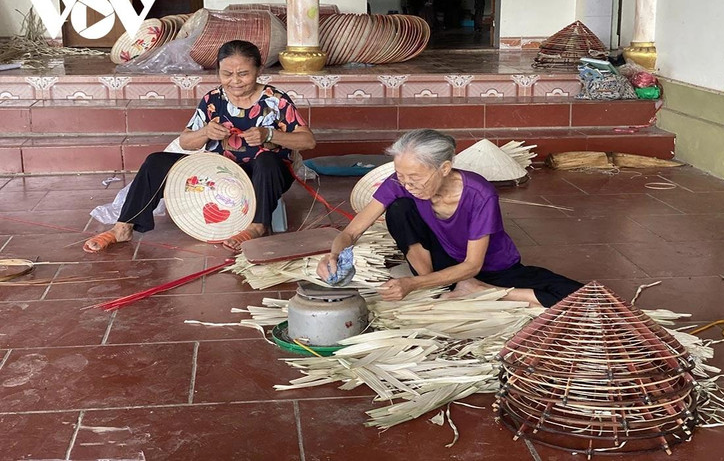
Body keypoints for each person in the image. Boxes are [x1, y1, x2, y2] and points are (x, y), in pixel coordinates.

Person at [83, 40, 316, 253]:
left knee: (267, 160)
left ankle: (257, 226)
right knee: (156, 161)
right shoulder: (212, 100)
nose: (235, 81)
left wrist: (270, 134)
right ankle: (124, 226)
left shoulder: (275, 100)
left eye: (243, 74)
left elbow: (308, 141)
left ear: (259, 70)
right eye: (227, 74)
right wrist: (205, 133)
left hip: (264, 176)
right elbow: (185, 141)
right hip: (216, 175)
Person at [317, 129, 582, 306]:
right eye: (401, 176)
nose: (407, 184)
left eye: (416, 177)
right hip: (440, 264)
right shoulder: (400, 183)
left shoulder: (480, 194)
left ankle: (480, 291)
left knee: (577, 295)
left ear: (444, 168)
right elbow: (350, 233)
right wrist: (335, 255)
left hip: (491, 269)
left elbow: (472, 266)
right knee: (400, 209)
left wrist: (410, 284)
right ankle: (436, 287)